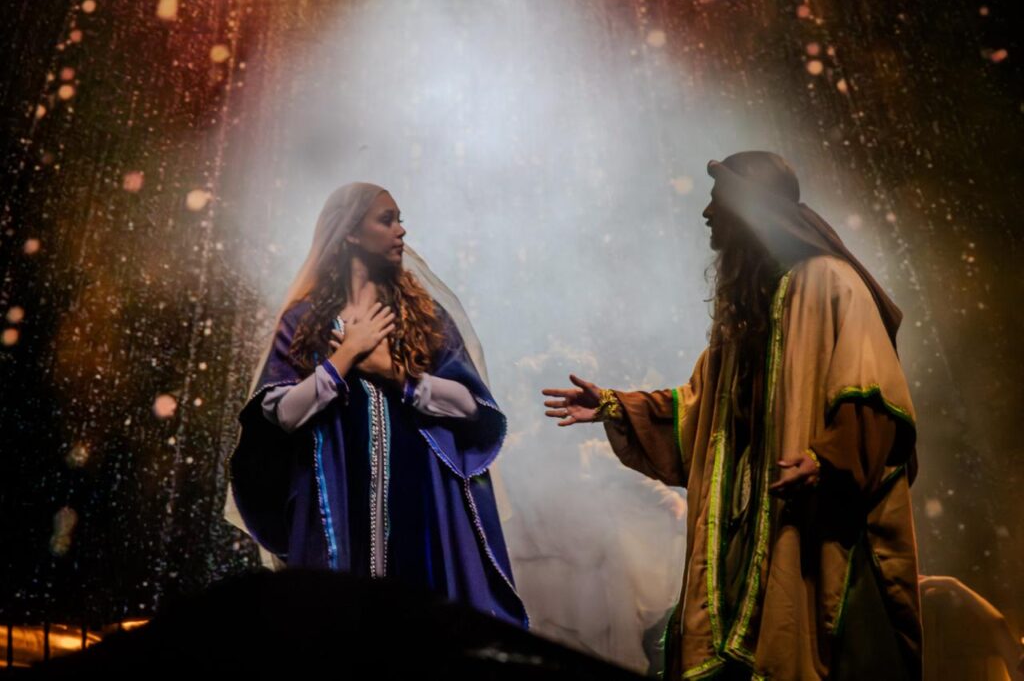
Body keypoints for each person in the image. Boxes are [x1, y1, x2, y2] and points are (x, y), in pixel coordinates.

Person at [542, 152, 922, 679]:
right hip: (746, 529)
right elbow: (700, 412)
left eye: (717, 202)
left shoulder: (830, 282)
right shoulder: (746, 313)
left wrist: (826, 460)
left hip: (811, 522)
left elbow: (873, 394)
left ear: (748, 209)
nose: (705, 213)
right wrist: (615, 406)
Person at [224, 182, 527, 628]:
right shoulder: (303, 321)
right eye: (387, 220)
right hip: (336, 505)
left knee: (421, 627)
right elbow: (283, 414)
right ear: (349, 232)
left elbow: (472, 408)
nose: (401, 231)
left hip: (422, 503)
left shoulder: (423, 317)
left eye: (400, 220)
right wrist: (346, 356)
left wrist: (396, 375)